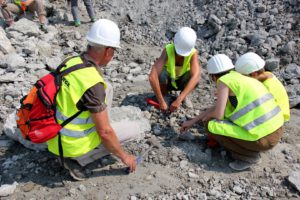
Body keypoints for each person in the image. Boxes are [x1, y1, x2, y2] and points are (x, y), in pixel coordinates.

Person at [47, 19, 137, 181]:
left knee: (107, 87)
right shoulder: (93, 83)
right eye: (113, 52)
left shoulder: (70, 62)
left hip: (53, 136)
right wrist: (125, 158)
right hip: (70, 146)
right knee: (134, 130)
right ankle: (76, 159)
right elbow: (105, 132)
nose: (112, 56)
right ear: (108, 51)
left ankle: (97, 122)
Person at [180, 54, 284, 171]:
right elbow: (215, 107)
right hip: (277, 131)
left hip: (264, 140)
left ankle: (247, 157)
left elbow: (218, 114)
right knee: (217, 119)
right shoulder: (241, 78)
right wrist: (192, 121)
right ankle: (249, 148)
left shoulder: (224, 81)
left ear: (213, 76)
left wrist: (206, 118)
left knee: (210, 124)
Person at [149, 27, 201, 112]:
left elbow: (196, 77)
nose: (181, 55)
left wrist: (179, 99)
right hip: (168, 83)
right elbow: (152, 76)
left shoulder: (193, 53)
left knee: (195, 79)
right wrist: (161, 101)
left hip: (181, 82)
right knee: (161, 75)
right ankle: (164, 95)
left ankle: (183, 96)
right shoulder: (168, 50)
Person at [235, 52, 290, 122]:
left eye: (244, 76)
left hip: (277, 118)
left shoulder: (266, 88)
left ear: (254, 74)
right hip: (282, 113)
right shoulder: (268, 74)